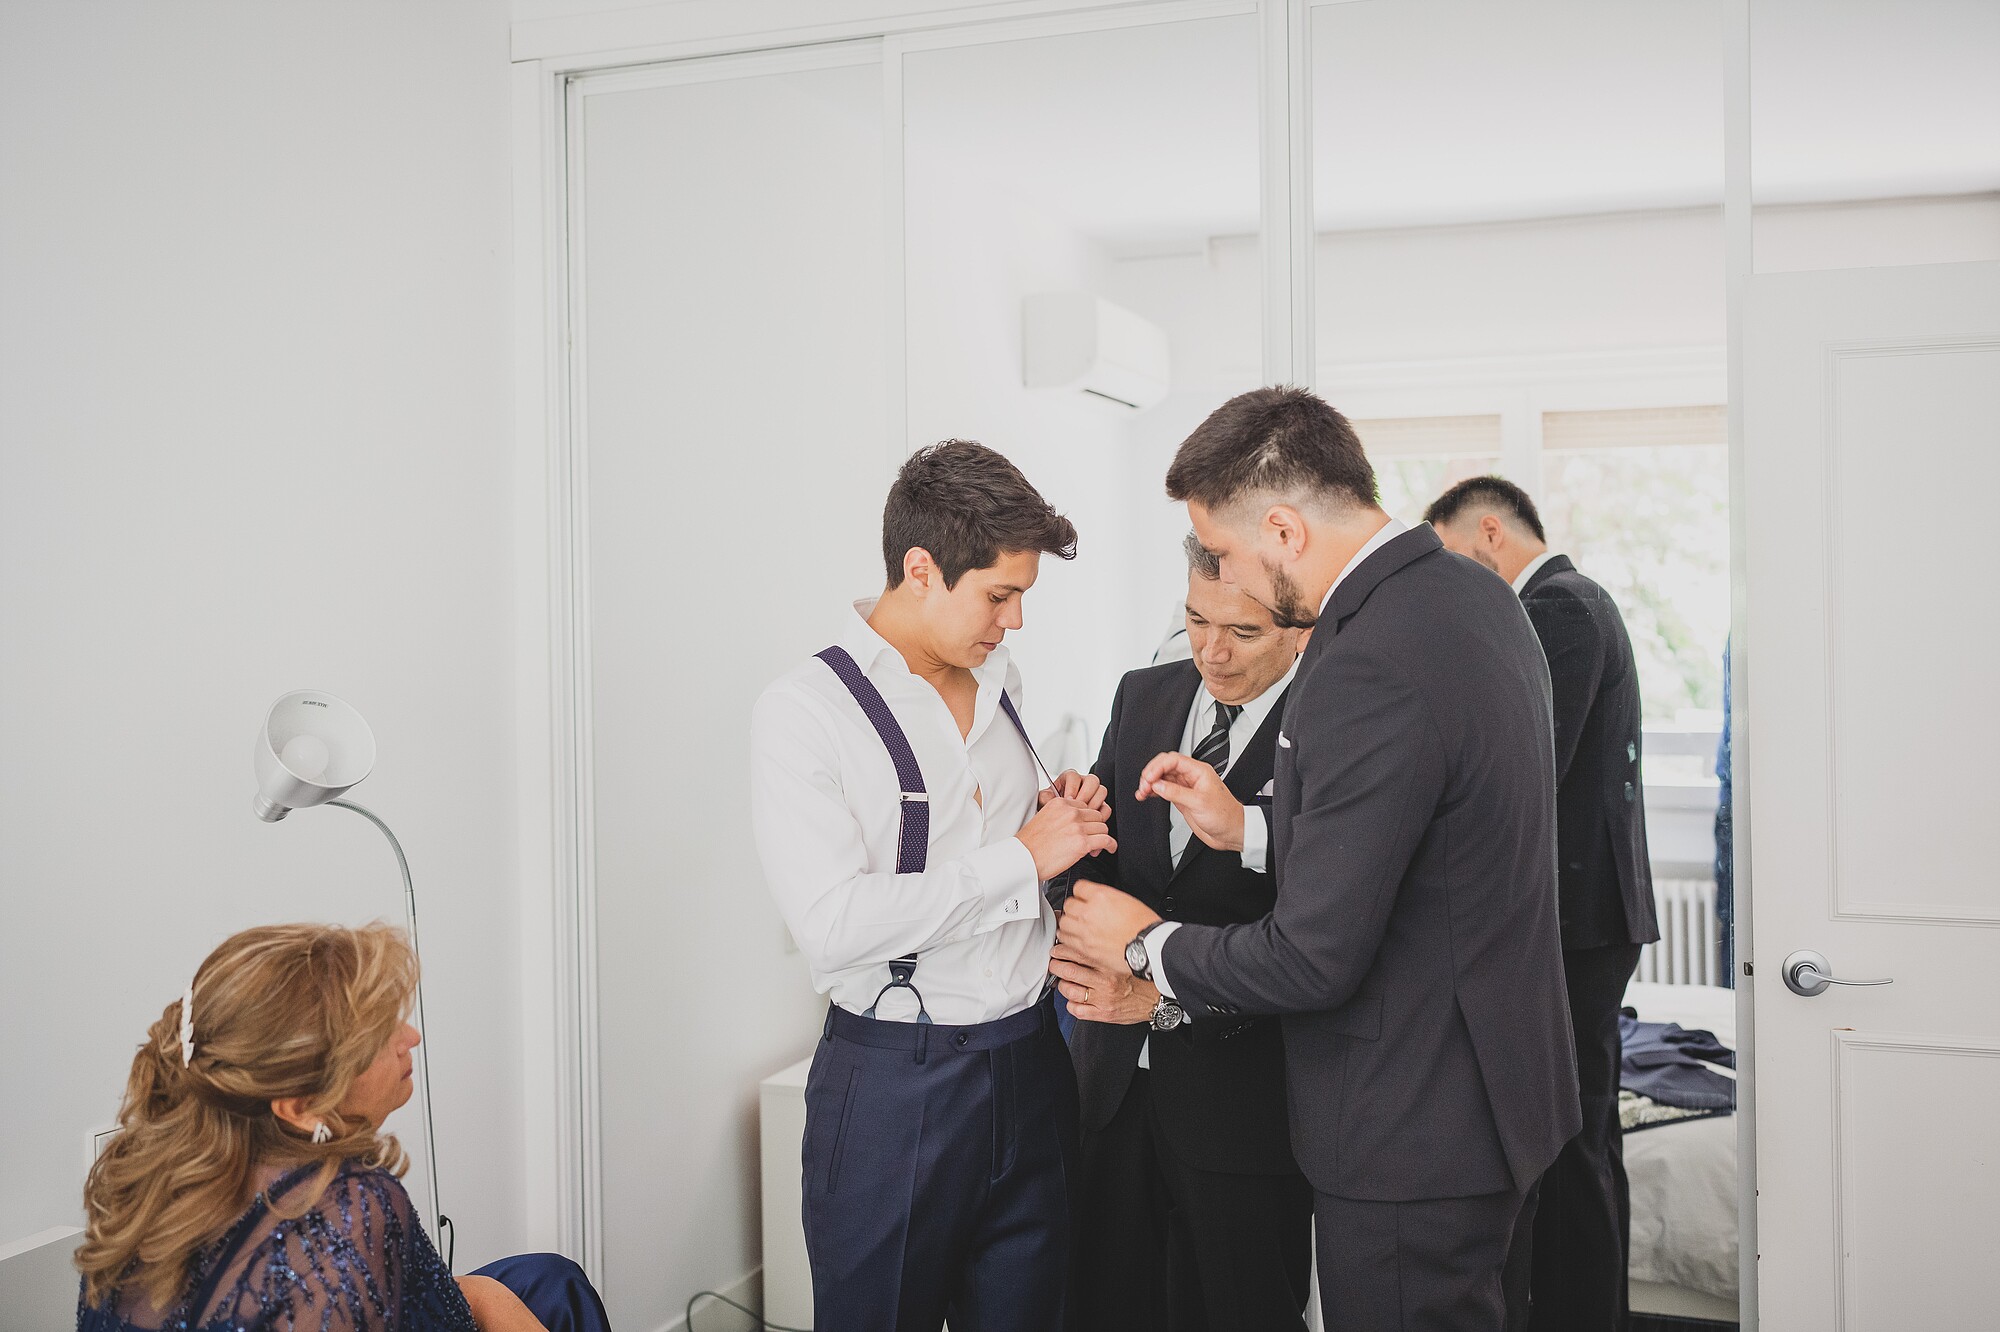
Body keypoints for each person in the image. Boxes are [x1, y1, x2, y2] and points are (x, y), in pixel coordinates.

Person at [1058, 387, 1579, 1332]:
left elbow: (1312, 955)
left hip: (1411, 1123)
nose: (1223, 583)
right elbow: (1428, 836)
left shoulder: (1363, 656)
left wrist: (1146, 944)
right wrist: (1248, 830)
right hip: (1500, 1096)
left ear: (1286, 532)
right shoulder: (1473, 594)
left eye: (1221, 553)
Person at [749, 440, 1108, 1332]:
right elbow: (832, 924)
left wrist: (1060, 807)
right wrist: (1022, 858)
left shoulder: (1002, 682)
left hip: (1033, 1064)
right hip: (895, 1088)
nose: (1015, 620)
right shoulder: (806, 714)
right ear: (920, 569)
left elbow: (1001, 841)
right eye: (999, 594)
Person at [75, 922, 609, 1332]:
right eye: (379, 1034)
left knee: (549, 1278)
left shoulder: (152, 1169)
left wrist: (491, 1299)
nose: (410, 1036)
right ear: (303, 1105)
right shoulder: (351, 1210)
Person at [1052, 533, 1311, 1332]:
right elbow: (1094, 860)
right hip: (1113, 1091)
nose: (1213, 652)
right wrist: (1062, 837)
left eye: (1244, 632)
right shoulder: (1144, 694)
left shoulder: (1334, 721)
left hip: (1246, 1108)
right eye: (1199, 621)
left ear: (1302, 627)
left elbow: (1314, 943)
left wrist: (1154, 991)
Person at [1427, 475, 1660, 1332]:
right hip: (1591, 915)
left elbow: (1532, 764)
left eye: (1451, 555)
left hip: (1577, 921)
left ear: (1489, 532)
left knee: (1564, 1142)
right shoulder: (1579, 600)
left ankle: (1578, 1313)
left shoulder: (1558, 608)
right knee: (1580, 1136)